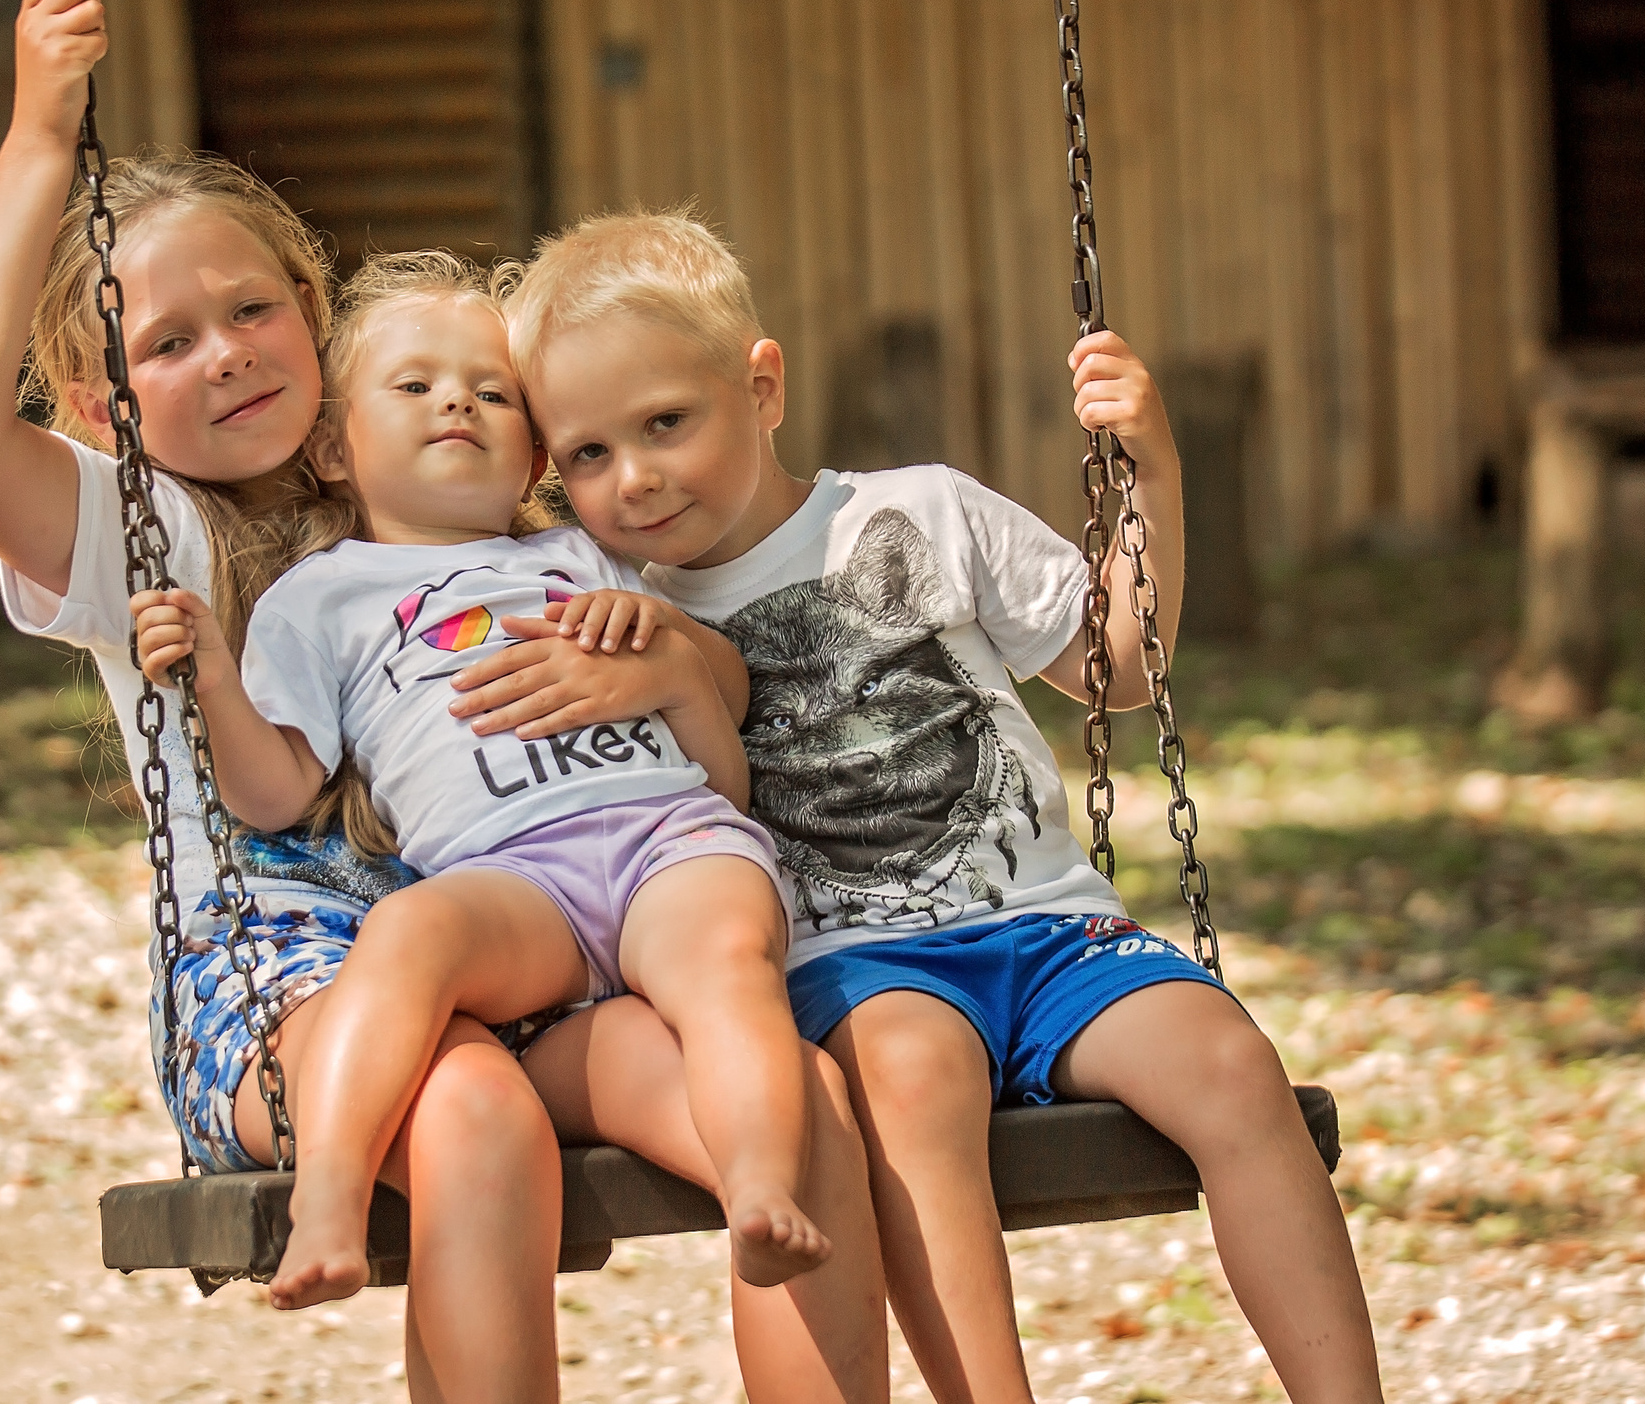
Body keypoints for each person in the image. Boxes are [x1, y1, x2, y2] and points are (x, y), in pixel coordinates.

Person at [0, 0, 886, 1403]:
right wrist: (44, 132)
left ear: (316, 312)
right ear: (111, 409)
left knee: (805, 1101)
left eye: (251, 310)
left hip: (537, 921)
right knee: (472, 1110)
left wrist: (668, 659)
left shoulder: (465, 518)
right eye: (169, 344)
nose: (227, 357)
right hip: (290, 983)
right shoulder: (150, 531)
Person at [451, 211, 1385, 1404]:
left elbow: (1120, 667)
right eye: (585, 456)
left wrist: (1149, 472)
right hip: (853, 962)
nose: (631, 477)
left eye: (665, 425)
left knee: (1234, 1069)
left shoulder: (925, 511)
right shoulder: (607, 601)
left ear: (762, 385)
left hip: (1052, 933)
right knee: (909, 1082)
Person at [131, 250, 836, 1313]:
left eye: (492, 391)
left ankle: (758, 1187)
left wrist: (668, 644)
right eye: (414, 385)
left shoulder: (581, 557)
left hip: (670, 842)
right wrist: (216, 680)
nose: (456, 398)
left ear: (530, 450)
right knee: (407, 938)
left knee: (727, 967)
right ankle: (327, 1200)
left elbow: (723, 700)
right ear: (332, 445)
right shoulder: (319, 599)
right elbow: (273, 794)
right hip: (515, 881)